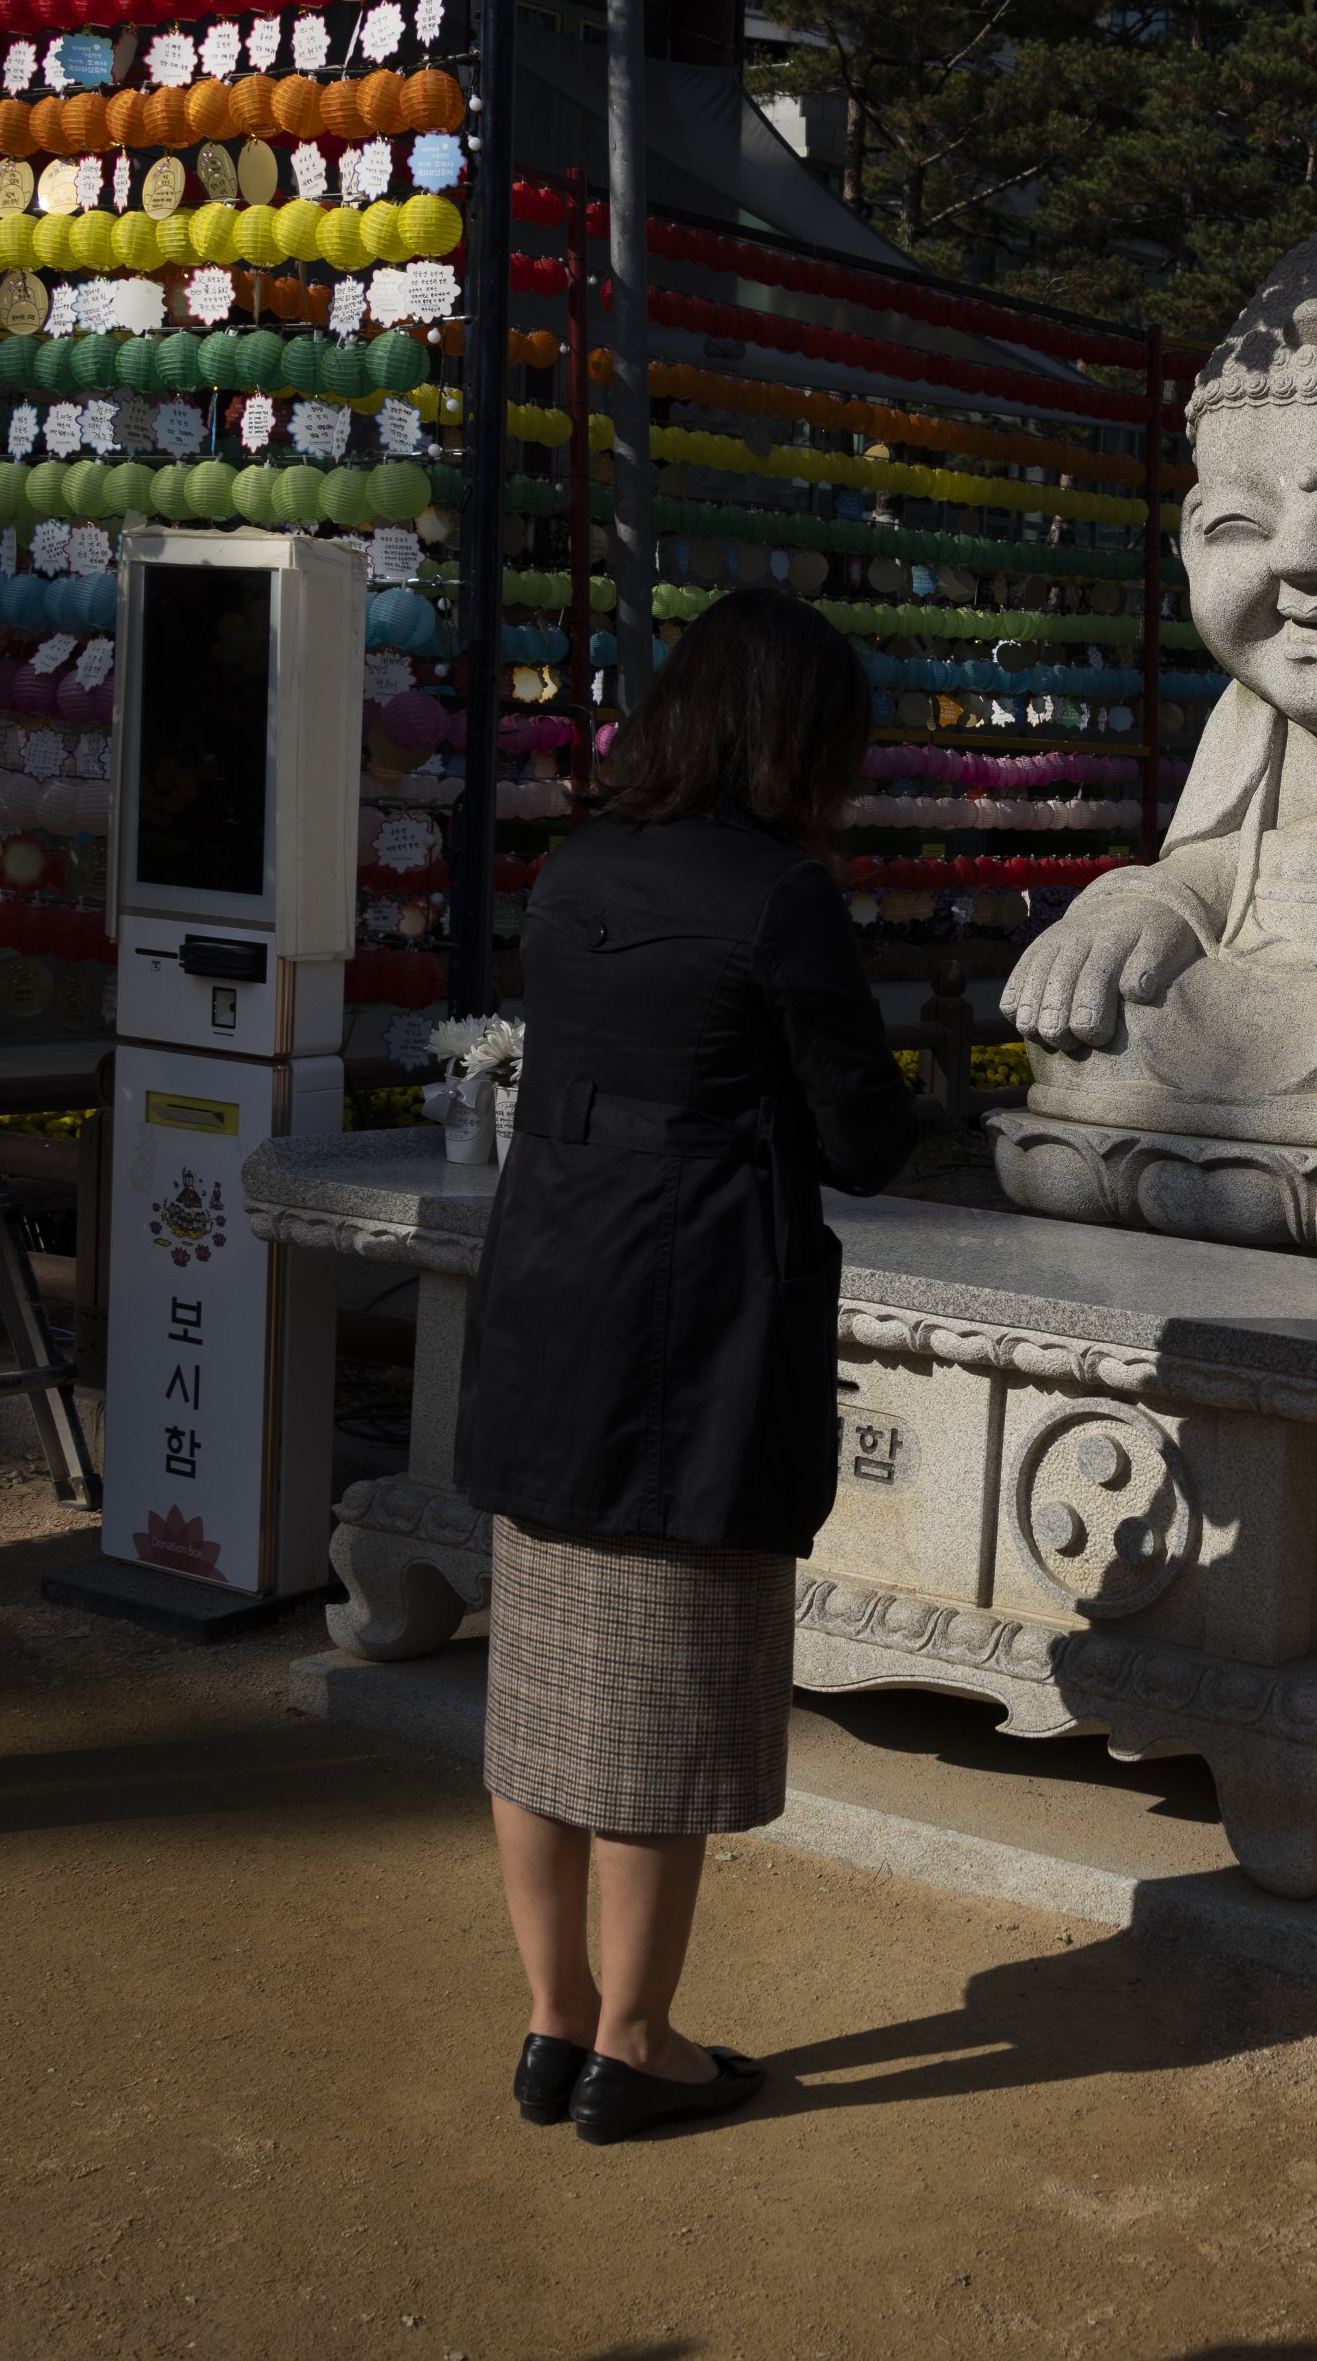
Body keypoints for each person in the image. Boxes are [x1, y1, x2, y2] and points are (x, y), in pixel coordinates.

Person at [455, 590, 915, 2146]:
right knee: (652, 1704)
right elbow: (865, 1139)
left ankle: (552, 2024)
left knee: (539, 1696)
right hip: (698, 1332)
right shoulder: (777, 897)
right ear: (799, 740)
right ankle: (638, 2045)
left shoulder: (575, 870)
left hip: (551, 1306)